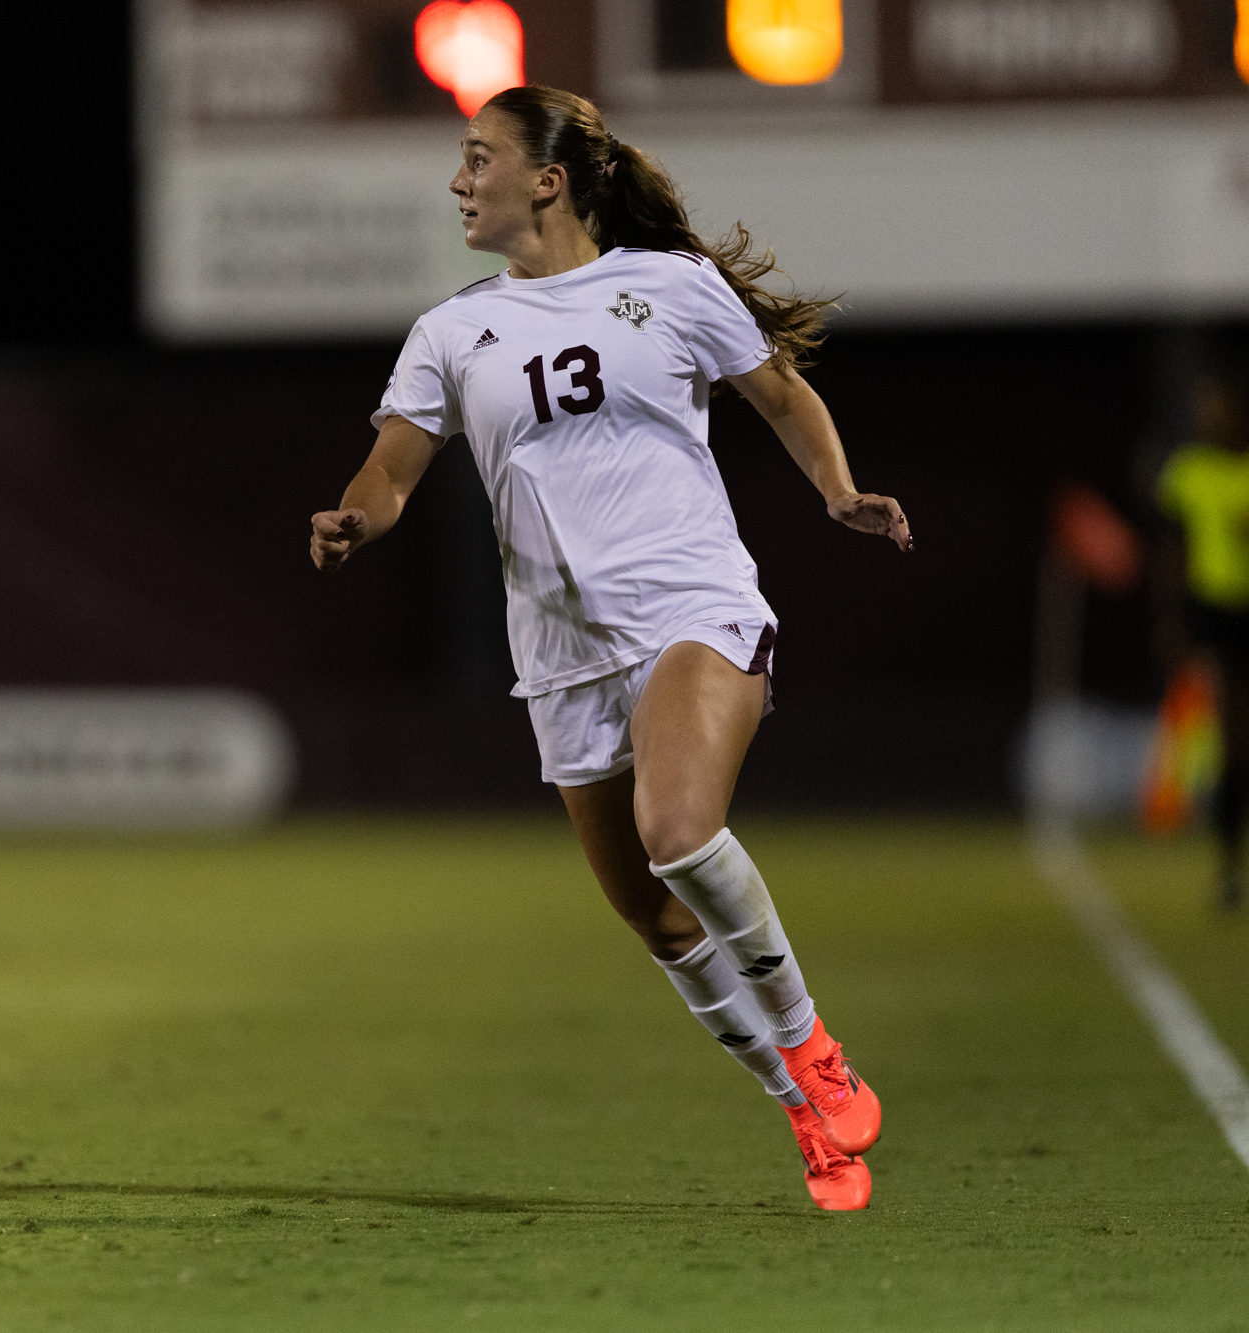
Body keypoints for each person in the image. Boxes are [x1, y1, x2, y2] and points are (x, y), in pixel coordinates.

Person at [308, 87, 912, 1211]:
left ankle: (809, 1040)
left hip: (688, 602)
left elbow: (779, 396)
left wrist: (833, 490)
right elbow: (389, 467)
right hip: (559, 653)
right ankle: (801, 1110)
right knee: (652, 915)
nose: (456, 180)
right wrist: (355, 515)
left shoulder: (669, 288)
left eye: (476, 157)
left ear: (546, 178)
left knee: (678, 831)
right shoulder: (450, 330)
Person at [1155, 370, 1249, 911]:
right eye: (1204, 407)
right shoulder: (1188, 472)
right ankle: (1229, 869)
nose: (1210, 416)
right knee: (1231, 741)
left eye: (1221, 406)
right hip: (1217, 613)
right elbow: (1173, 553)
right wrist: (1172, 627)